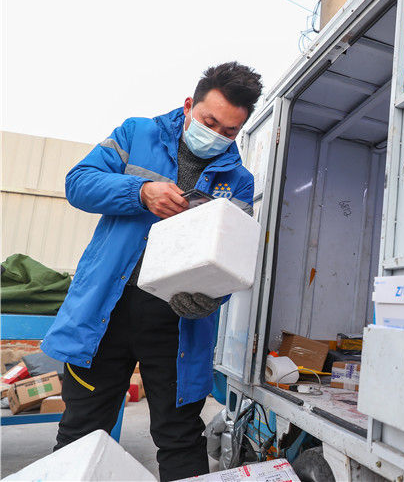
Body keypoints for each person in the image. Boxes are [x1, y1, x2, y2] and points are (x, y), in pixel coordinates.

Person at [41, 61, 263, 481]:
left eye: (229, 131)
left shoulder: (239, 181)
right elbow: (78, 183)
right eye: (209, 122)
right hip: (106, 312)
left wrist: (210, 298)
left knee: (181, 438)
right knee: (81, 433)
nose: (216, 135)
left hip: (177, 325)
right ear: (188, 105)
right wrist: (140, 192)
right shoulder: (135, 134)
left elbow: (231, 261)